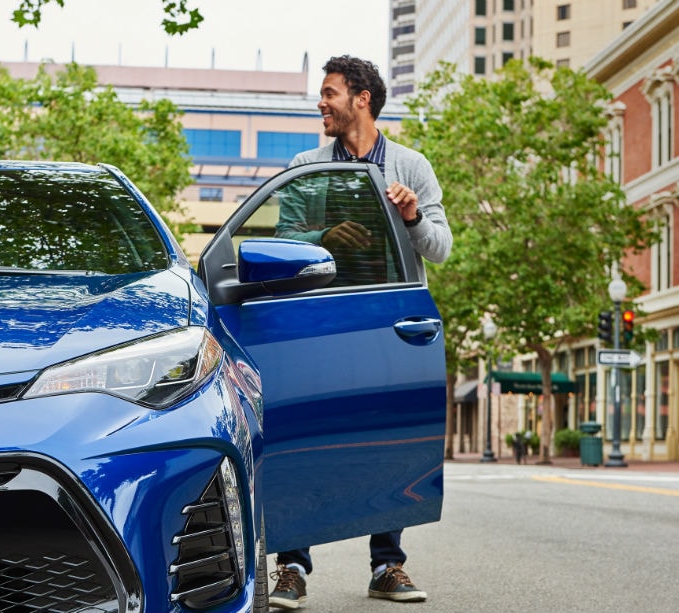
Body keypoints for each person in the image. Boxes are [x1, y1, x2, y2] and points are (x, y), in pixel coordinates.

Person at [268, 55, 452, 609]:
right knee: (301, 438)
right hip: (314, 324)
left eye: (329, 93)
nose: (320, 103)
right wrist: (327, 235)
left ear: (361, 98)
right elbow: (284, 239)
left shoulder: (411, 166)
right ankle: (292, 567)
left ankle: (387, 566)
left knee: (387, 439)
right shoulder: (307, 165)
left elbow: (441, 248)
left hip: (387, 323)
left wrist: (415, 216)